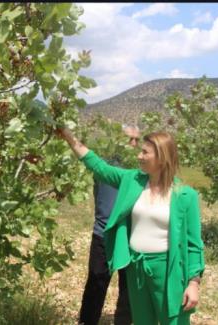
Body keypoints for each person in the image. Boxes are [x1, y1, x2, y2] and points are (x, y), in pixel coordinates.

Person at [56, 127, 205, 325]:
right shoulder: (132, 180)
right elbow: (99, 167)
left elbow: (193, 243)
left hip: (167, 269)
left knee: (174, 321)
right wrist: (69, 137)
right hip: (136, 268)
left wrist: (193, 283)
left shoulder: (185, 195)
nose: (139, 156)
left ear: (162, 157)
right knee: (143, 321)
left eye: (145, 152)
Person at [78, 125, 140, 325]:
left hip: (131, 237)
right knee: (96, 284)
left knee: (129, 291)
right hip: (103, 235)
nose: (133, 144)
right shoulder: (106, 168)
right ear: (115, 139)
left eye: (136, 140)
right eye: (129, 139)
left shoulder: (139, 171)